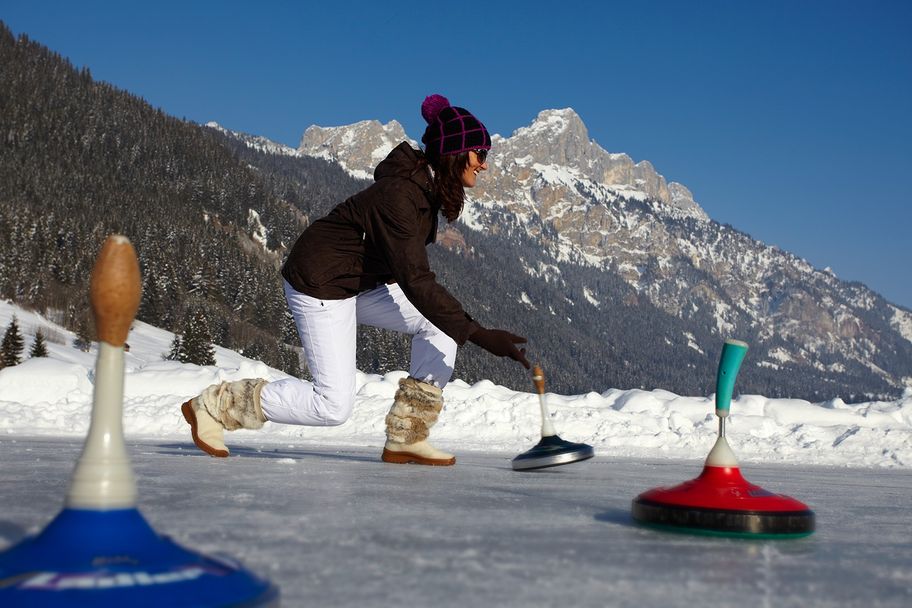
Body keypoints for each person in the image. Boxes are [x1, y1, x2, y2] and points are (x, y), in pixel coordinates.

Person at [181, 94, 530, 466]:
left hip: (356, 284)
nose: (485, 165)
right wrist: (478, 333)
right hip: (321, 284)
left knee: (440, 327)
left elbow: (414, 281)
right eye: (480, 153)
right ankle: (216, 406)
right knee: (332, 406)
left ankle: (407, 434)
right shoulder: (399, 196)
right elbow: (415, 279)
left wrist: (465, 328)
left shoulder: (422, 191)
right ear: (454, 152)